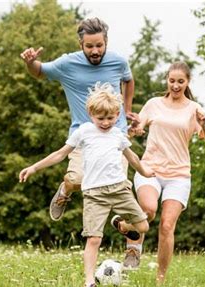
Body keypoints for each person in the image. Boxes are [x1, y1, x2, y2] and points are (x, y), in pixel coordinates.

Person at [19, 83, 154, 287]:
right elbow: (60, 154)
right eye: (101, 118)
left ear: (117, 115)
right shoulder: (84, 132)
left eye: (110, 118)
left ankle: (121, 224)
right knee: (93, 239)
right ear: (91, 114)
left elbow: (132, 157)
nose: (106, 123)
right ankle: (89, 281)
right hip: (94, 195)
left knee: (143, 226)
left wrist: (145, 172)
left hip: (119, 190)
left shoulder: (118, 135)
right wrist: (34, 168)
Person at [20, 17, 138, 221]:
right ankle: (65, 190)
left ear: (106, 42)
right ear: (81, 44)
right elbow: (39, 72)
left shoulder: (118, 61)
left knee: (121, 187)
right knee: (77, 180)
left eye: (99, 45)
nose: (95, 51)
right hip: (82, 137)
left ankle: (132, 248)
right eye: (89, 46)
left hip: (115, 135)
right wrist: (30, 63)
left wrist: (126, 110)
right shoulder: (67, 64)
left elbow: (128, 79)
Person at [127, 62, 205, 283]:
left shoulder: (193, 108)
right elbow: (137, 127)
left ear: (188, 82)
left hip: (179, 175)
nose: (175, 85)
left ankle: (160, 278)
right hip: (151, 169)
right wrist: (136, 129)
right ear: (167, 80)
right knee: (148, 209)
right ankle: (133, 246)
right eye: (172, 80)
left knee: (167, 225)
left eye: (180, 81)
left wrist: (203, 125)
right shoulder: (154, 104)